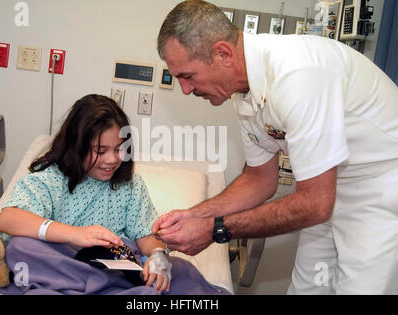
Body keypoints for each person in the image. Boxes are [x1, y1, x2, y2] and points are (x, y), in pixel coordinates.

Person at [152, 0, 398, 294]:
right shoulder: (243, 94)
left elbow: (315, 203)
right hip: (327, 187)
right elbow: (259, 180)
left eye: (188, 76)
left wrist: (215, 229)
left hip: (379, 190)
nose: (186, 89)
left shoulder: (298, 75)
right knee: (307, 288)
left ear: (223, 54)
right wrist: (197, 215)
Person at [0, 94, 171, 293]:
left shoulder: (130, 186)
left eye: (119, 149)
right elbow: (7, 219)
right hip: (60, 263)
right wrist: (74, 235)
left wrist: (158, 255)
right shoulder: (50, 180)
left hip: (109, 267)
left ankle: (97, 283)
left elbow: (146, 236)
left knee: (178, 270)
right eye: (100, 150)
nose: (112, 159)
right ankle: (97, 284)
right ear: (75, 146)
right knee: (20, 247)